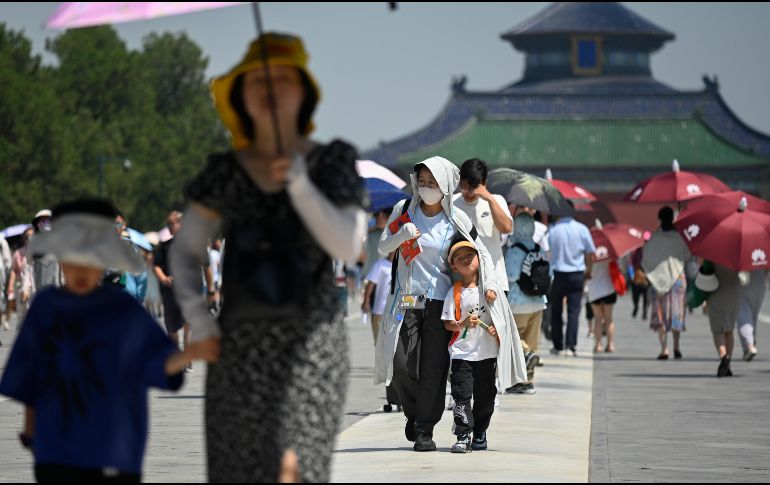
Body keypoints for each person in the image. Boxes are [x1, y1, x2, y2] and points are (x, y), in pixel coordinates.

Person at [169, 32, 367, 482]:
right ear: (240, 96)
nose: (271, 89)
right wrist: (199, 320)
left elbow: (348, 245)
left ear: (305, 93)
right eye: (258, 80)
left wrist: (299, 184)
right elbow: (185, 252)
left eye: (283, 78)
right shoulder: (225, 170)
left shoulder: (332, 160)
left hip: (311, 344)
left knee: (293, 469)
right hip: (240, 346)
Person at [0, 198, 216, 482]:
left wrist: (190, 354)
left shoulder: (123, 310)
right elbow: (31, 378)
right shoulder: (46, 308)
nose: (80, 270)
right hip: (56, 446)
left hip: (115, 447)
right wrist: (31, 433)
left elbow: (160, 362)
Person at [374, 156, 519, 452]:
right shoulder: (405, 211)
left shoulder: (456, 218)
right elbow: (382, 246)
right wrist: (401, 234)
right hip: (406, 302)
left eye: (433, 183)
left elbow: (482, 253)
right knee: (402, 364)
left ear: (446, 186)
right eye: (422, 182)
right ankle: (413, 414)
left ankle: (425, 429)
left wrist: (489, 284)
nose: (426, 187)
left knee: (433, 368)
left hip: (440, 303)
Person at [441, 239, 501, 453]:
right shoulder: (454, 292)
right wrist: (462, 324)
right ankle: (463, 435)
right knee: (461, 395)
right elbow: (448, 323)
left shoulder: (491, 291)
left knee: (486, 398)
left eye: (470, 256)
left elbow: (502, 320)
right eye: (459, 258)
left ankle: (480, 430)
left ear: (479, 259)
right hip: (462, 354)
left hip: (487, 354)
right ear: (453, 266)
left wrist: (497, 330)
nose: (466, 260)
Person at [504, 212, 551, 395]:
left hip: (518, 301)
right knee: (532, 342)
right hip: (539, 302)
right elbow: (550, 274)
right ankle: (527, 381)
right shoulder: (539, 249)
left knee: (514, 338)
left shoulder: (515, 250)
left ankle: (518, 378)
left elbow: (511, 275)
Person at [453, 158, 512, 294]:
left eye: (474, 187)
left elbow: (506, 228)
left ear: (484, 183)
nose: (469, 192)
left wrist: (489, 199)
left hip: (494, 281)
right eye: (465, 186)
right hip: (463, 282)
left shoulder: (496, 200)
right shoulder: (452, 203)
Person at [642, 207, 691, 360]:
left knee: (661, 314)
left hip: (659, 280)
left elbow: (646, 259)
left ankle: (664, 349)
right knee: (677, 313)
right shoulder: (680, 237)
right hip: (677, 279)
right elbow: (687, 255)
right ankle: (677, 347)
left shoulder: (654, 238)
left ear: (660, 218)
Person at [547, 206, 596, 356]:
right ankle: (571, 345)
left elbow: (547, 252)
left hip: (557, 274)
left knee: (556, 311)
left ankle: (558, 345)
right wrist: (588, 270)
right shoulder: (582, 229)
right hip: (576, 274)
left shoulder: (553, 230)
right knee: (574, 311)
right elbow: (590, 252)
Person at [362, 251, 395, 345]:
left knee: (392, 345)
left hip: (395, 312)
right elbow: (370, 284)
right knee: (379, 344)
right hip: (379, 311)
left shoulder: (402, 265)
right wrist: (365, 302)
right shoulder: (380, 264)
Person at [587, 259, 618, 353]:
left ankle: (598, 345)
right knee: (609, 318)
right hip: (608, 287)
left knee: (598, 319)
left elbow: (588, 271)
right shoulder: (610, 252)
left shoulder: (591, 253)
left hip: (594, 289)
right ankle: (610, 344)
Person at [737, 269, 767, 361]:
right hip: (760, 284)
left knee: (744, 316)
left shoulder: (739, 254)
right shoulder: (765, 254)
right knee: (753, 317)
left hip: (742, 282)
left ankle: (749, 345)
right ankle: (750, 344)